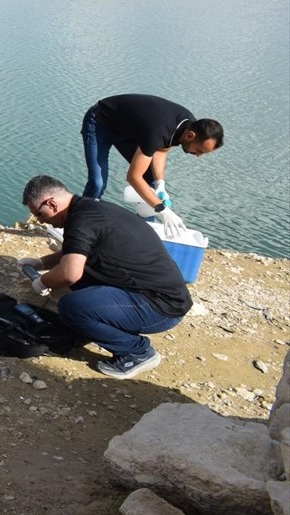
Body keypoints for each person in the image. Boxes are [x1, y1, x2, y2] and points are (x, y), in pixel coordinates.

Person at [20, 174, 192, 379]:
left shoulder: (80, 220)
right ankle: (94, 324)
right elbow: (73, 251)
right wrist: (40, 263)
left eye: (39, 214)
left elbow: (69, 273)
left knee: (71, 307)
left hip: (161, 308)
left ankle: (138, 352)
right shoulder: (88, 209)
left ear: (51, 204)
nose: (40, 220)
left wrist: (42, 281)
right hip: (160, 295)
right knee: (80, 284)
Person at [81, 94, 223, 236]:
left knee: (151, 182)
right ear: (190, 136)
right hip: (100, 122)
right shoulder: (158, 131)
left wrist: (160, 183)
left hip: (128, 130)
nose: (198, 156)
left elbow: (161, 150)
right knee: (97, 182)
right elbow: (133, 177)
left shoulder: (186, 126)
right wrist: (162, 209)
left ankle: (144, 232)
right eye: (199, 150)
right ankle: (81, 225)